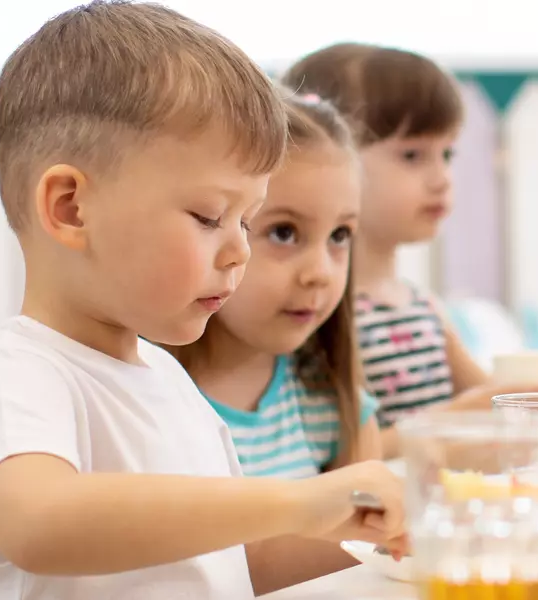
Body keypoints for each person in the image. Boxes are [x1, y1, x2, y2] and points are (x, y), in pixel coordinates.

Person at [0, 4, 404, 598]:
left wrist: (370, 529)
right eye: (210, 217)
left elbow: (234, 565)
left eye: (248, 222)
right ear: (71, 207)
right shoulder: (14, 374)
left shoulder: (168, 382)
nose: (239, 253)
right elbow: (40, 524)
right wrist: (299, 500)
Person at [279, 43, 538, 455]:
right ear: (330, 157)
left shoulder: (423, 309)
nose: (441, 178)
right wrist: (449, 422)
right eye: (413, 155)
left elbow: (499, 401)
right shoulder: (318, 315)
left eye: (447, 154)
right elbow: (334, 458)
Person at [165, 96, 385, 591]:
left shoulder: (330, 403)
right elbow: (226, 570)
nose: (320, 273)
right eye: (284, 232)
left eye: (340, 235)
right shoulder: (147, 398)